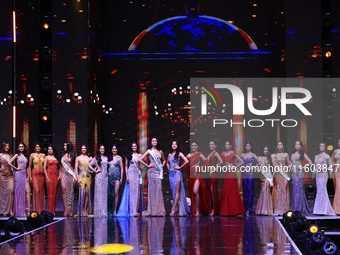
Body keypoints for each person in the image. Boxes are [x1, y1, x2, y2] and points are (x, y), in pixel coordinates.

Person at [139, 137, 166, 216]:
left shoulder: (160, 151)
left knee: (158, 189)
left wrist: (161, 166)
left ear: (157, 142)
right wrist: (147, 165)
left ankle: (158, 210)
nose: (154, 142)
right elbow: (140, 159)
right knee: (152, 190)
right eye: (153, 140)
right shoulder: (149, 151)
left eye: (155, 140)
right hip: (151, 172)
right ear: (151, 142)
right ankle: (152, 210)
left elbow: (164, 160)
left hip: (158, 172)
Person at [219, 140, 245, 216]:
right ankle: (226, 210)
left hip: (232, 173)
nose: (226, 146)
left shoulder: (233, 153)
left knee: (232, 190)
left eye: (228, 144)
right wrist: (222, 167)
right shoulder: (222, 153)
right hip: (225, 173)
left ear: (230, 146)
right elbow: (219, 162)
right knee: (225, 189)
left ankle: (234, 210)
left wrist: (235, 167)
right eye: (225, 144)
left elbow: (242, 162)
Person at [167, 140, 190, 216]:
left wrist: (179, 167)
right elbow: (167, 163)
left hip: (177, 173)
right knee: (173, 191)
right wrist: (169, 169)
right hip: (171, 174)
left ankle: (174, 208)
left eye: (175, 144)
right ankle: (176, 208)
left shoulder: (179, 154)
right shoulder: (169, 155)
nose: (174, 145)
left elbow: (186, 161)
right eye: (172, 144)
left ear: (177, 146)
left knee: (177, 192)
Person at [185, 141, 209, 216]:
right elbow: (184, 164)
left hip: (197, 174)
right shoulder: (188, 155)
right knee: (192, 193)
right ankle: (194, 208)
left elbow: (207, 162)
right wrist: (188, 170)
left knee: (195, 191)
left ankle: (197, 209)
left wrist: (201, 169)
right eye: (192, 146)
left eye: (195, 145)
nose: (193, 147)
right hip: (190, 175)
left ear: (197, 147)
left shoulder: (199, 154)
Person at [313, 142, 335, 215]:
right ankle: (319, 209)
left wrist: (325, 168)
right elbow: (315, 166)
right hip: (318, 174)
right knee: (319, 190)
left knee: (322, 190)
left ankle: (322, 209)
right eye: (320, 146)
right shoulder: (316, 156)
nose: (321, 147)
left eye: (323, 146)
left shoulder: (327, 156)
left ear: (325, 147)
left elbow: (331, 166)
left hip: (323, 174)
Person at [290, 140, 312, 215]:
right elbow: (291, 163)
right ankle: (296, 207)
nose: (297, 145)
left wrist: (302, 167)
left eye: (298, 144)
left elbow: (310, 162)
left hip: (299, 173)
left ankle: (298, 208)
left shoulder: (302, 154)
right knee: (295, 190)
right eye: (296, 144)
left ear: (300, 146)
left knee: (299, 190)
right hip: (293, 173)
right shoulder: (292, 154)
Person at [8, 142, 29, 216]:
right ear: (18, 148)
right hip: (18, 174)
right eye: (20, 147)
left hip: (23, 175)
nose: (21, 148)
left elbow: (26, 167)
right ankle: (17, 211)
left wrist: (27, 176)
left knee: (23, 192)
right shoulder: (17, 155)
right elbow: (9, 162)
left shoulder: (25, 155)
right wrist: (16, 168)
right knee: (18, 191)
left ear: (24, 148)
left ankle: (22, 210)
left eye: (22, 147)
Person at [271, 141, 291, 216]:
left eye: (281, 145)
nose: (279, 146)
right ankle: (277, 210)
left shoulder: (286, 154)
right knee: (277, 191)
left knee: (284, 190)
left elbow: (289, 164)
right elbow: (274, 166)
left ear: (283, 146)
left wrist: (286, 167)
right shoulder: (273, 155)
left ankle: (284, 209)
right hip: (278, 174)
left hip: (284, 174)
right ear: (276, 146)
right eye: (278, 145)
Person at [241, 141, 260, 216]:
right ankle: (244, 209)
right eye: (246, 146)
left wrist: (254, 167)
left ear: (251, 147)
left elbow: (259, 162)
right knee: (245, 191)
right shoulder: (242, 154)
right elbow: (237, 162)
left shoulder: (253, 154)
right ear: (245, 147)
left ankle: (249, 209)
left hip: (250, 174)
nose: (247, 147)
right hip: (244, 174)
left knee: (250, 191)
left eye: (249, 146)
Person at [88, 144, 108, 217]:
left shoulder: (106, 158)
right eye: (101, 149)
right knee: (99, 194)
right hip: (99, 177)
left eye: (103, 149)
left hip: (105, 177)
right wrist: (95, 171)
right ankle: (98, 212)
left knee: (104, 194)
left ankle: (104, 211)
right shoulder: (96, 158)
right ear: (99, 150)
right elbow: (89, 165)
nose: (102, 150)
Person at [206, 140, 223, 216]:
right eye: (210, 144)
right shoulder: (210, 154)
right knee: (210, 191)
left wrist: (215, 168)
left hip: (213, 173)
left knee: (213, 191)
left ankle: (214, 210)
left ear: (215, 146)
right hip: (209, 173)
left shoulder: (216, 153)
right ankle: (211, 209)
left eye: (212, 144)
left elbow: (221, 162)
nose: (211, 146)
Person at [75, 144, 93, 216]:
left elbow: (91, 168)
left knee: (87, 193)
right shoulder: (78, 158)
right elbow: (76, 169)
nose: (83, 149)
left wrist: (92, 171)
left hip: (88, 177)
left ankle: (85, 209)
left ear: (86, 149)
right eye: (82, 148)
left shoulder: (89, 158)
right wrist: (77, 178)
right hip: (81, 176)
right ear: (80, 149)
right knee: (82, 193)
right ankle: (81, 210)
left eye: (85, 148)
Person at [28, 142, 45, 213]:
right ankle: (36, 209)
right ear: (34, 147)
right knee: (36, 191)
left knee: (41, 191)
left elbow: (45, 165)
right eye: (36, 146)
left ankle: (42, 210)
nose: (38, 148)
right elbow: (29, 166)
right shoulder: (32, 155)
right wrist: (29, 177)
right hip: (34, 174)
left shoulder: (43, 155)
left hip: (42, 175)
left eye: (39, 146)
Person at [255, 146, 273, 216]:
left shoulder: (270, 158)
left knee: (267, 192)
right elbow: (256, 167)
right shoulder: (260, 158)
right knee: (263, 192)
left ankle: (266, 210)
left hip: (268, 176)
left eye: (267, 150)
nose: (265, 151)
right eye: (264, 150)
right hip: (262, 176)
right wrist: (258, 169)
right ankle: (262, 209)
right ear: (262, 151)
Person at [60, 141, 76, 216]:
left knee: (70, 192)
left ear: (69, 146)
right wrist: (59, 175)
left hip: (70, 174)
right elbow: (61, 166)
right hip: (63, 174)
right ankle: (65, 210)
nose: (64, 147)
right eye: (64, 145)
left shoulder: (73, 155)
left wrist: (75, 177)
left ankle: (70, 210)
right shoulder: (63, 154)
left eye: (66, 146)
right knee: (64, 190)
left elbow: (75, 167)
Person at [108, 144, 123, 216]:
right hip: (109, 177)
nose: (114, 150)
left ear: (117, 150)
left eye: (115, 149)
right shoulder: (109, 157)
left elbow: (122, 168)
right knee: (110, 194)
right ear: (111, 150)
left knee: (116, 193)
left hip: (117, 177)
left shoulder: (119, 158)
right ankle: (110, 209)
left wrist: (121, 178)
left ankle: (115, 210)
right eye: (113, 149)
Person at [43, 144, 59, 215]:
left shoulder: (56, 157)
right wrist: (46, 177)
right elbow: (44, 168)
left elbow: (60, 167)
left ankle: (53, 210)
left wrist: (59, 176)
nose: (50, 150)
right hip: (49, 176)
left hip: (55, 177)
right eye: (49, 149)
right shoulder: (46, 157)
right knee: (50, 194)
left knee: (55, 194)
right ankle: (50, 211)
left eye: (51, 149)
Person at [0, 142, 14, 216]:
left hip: (10, 176)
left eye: (8, 146)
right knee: (3, 194)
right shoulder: (0, 155)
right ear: (3, 147)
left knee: (11, 191)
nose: (7, 147)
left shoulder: (10, 155)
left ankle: (10, 210)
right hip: (2, 176)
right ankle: (3, 211)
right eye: (5, 146)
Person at [331, 139, 340, 214]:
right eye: (338, 142)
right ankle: (337, 209)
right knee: (338, 189)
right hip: (337, 171)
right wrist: (333, 167)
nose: (339, 143)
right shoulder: (336, 151)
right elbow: (332, 160)